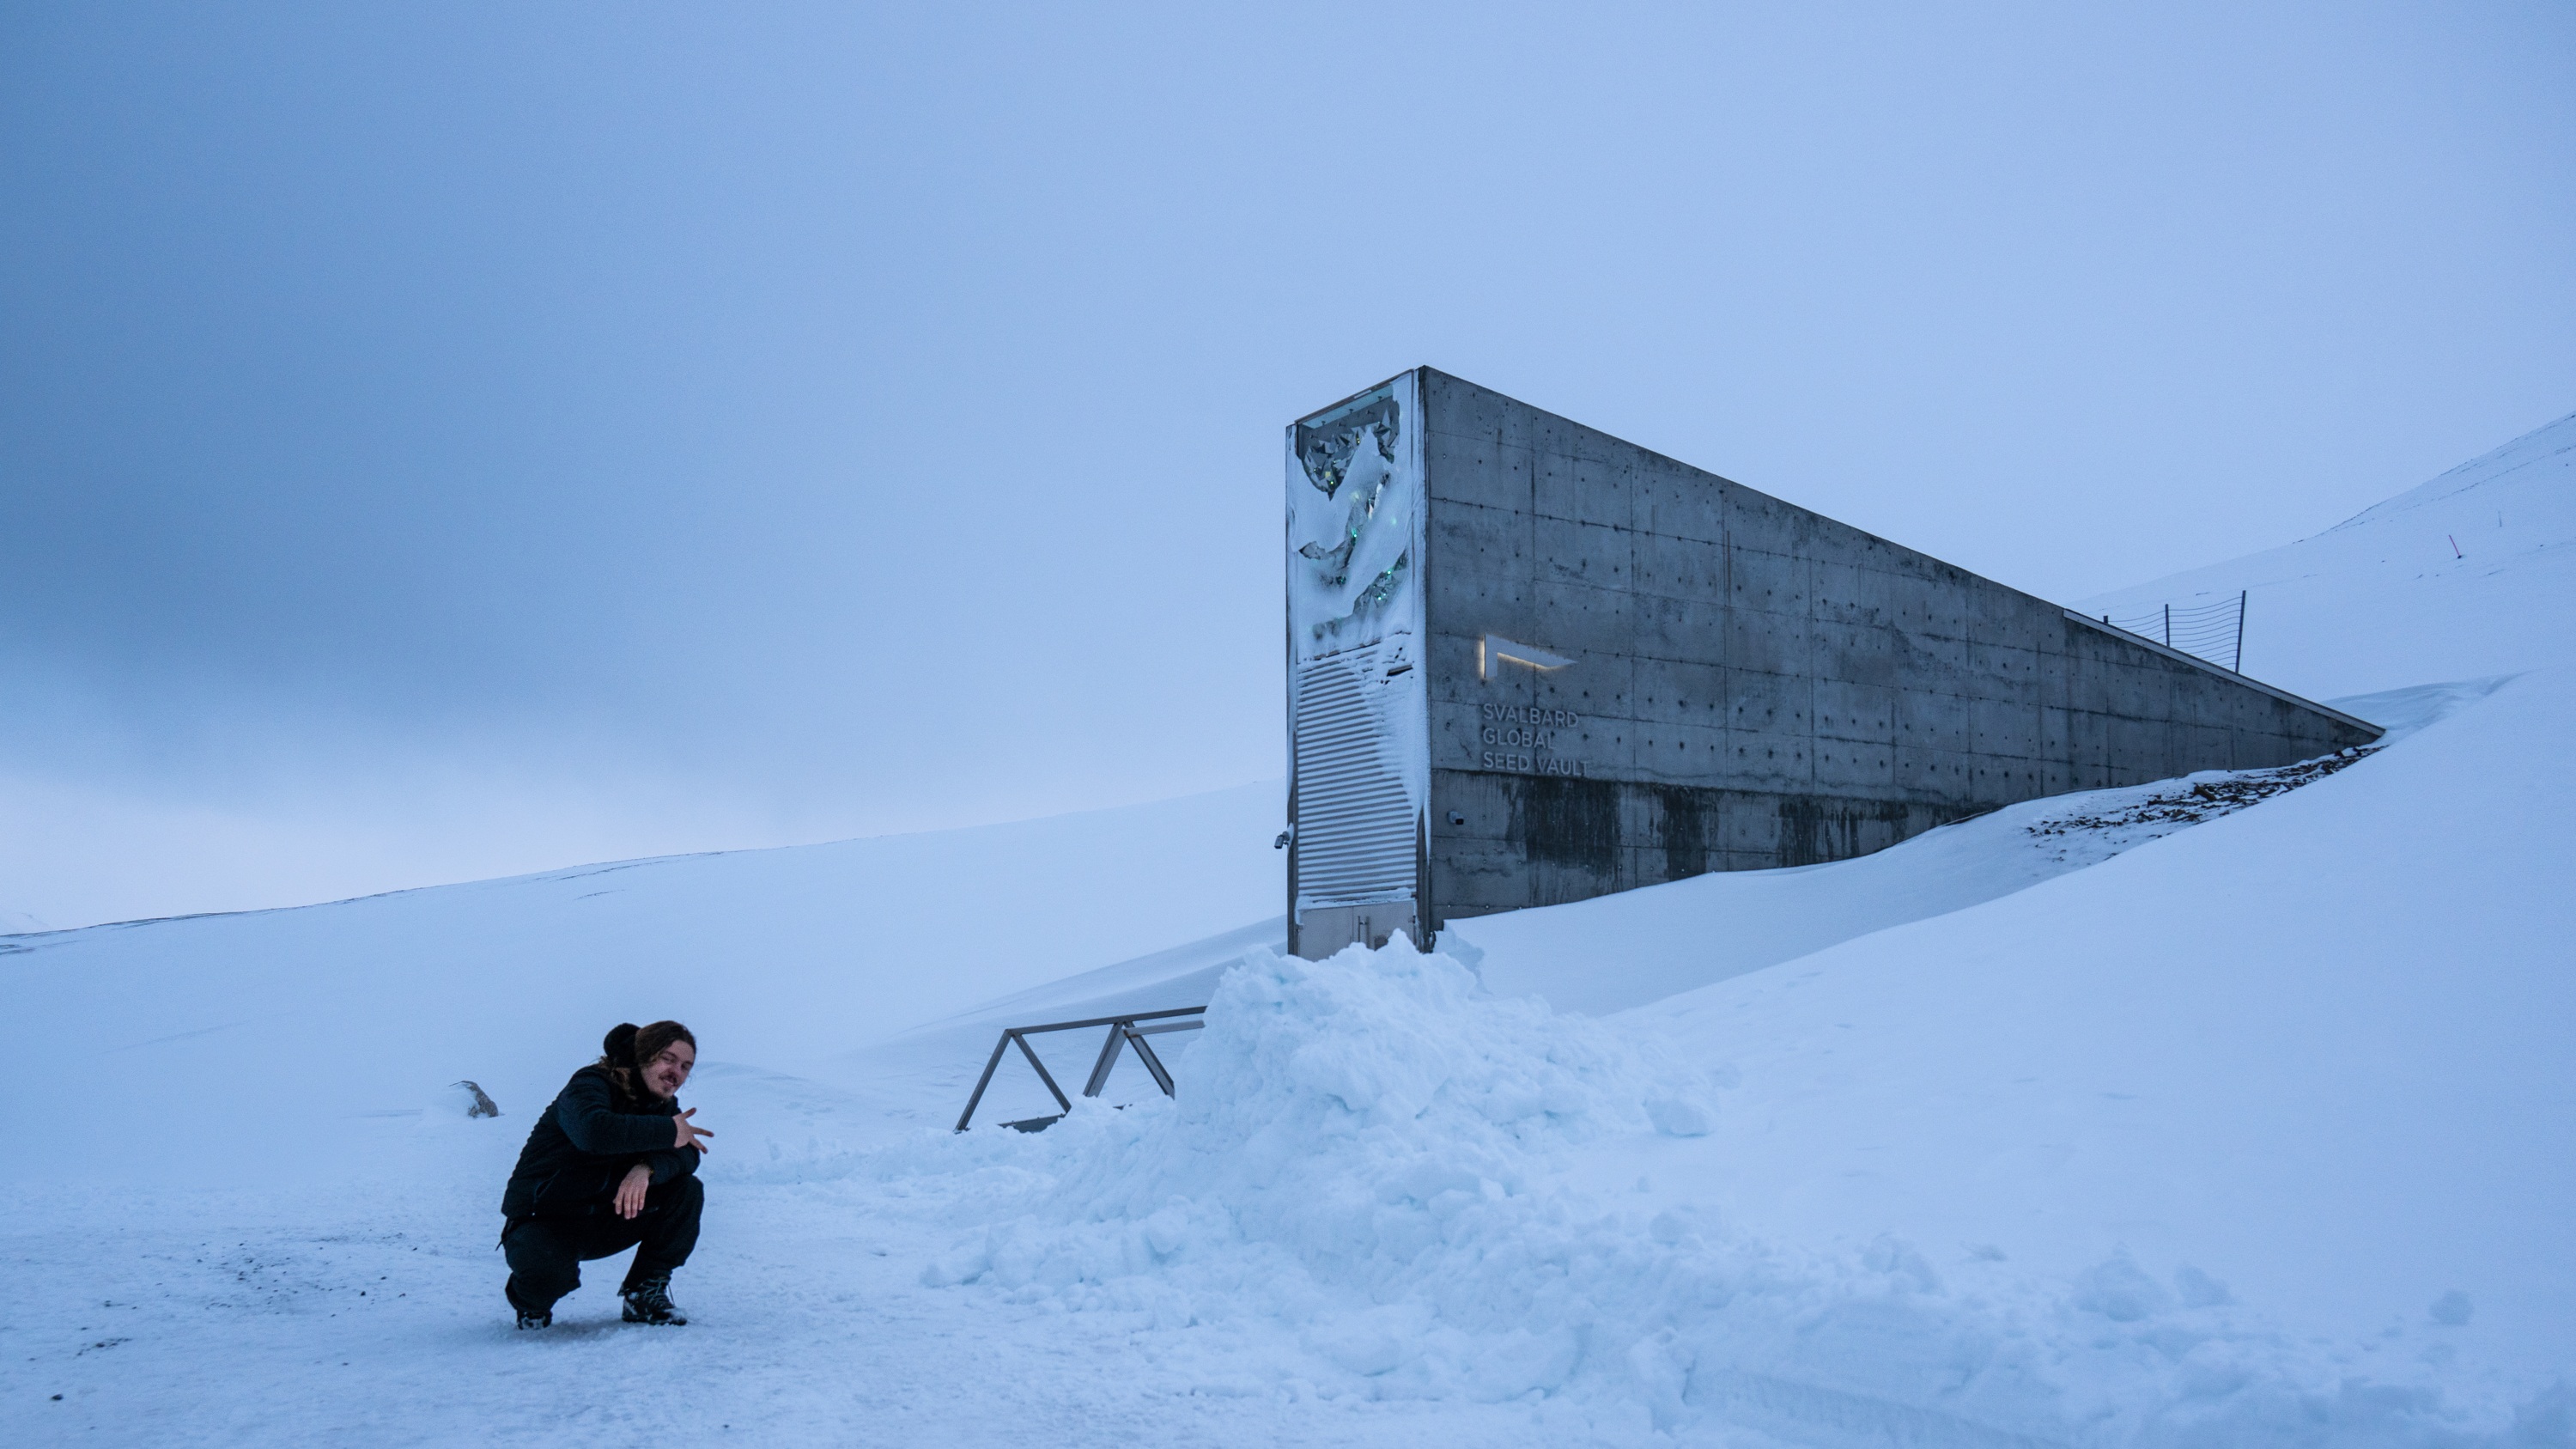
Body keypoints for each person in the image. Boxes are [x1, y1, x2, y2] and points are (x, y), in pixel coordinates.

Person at [499, 1020, 714, 1328]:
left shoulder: (661, 1106)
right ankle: (530, 1302)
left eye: (685, 1066)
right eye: (668, 1059)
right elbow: (593, 1132)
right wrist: (668, 1131)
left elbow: (687, 1151)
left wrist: (647, 1168)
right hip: (544, 1219)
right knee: (549, 1278)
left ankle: (643, 1296)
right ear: (643, 1054)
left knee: (686, 1190)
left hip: (606, 1215)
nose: (676, 1072)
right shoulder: (590, 1084)